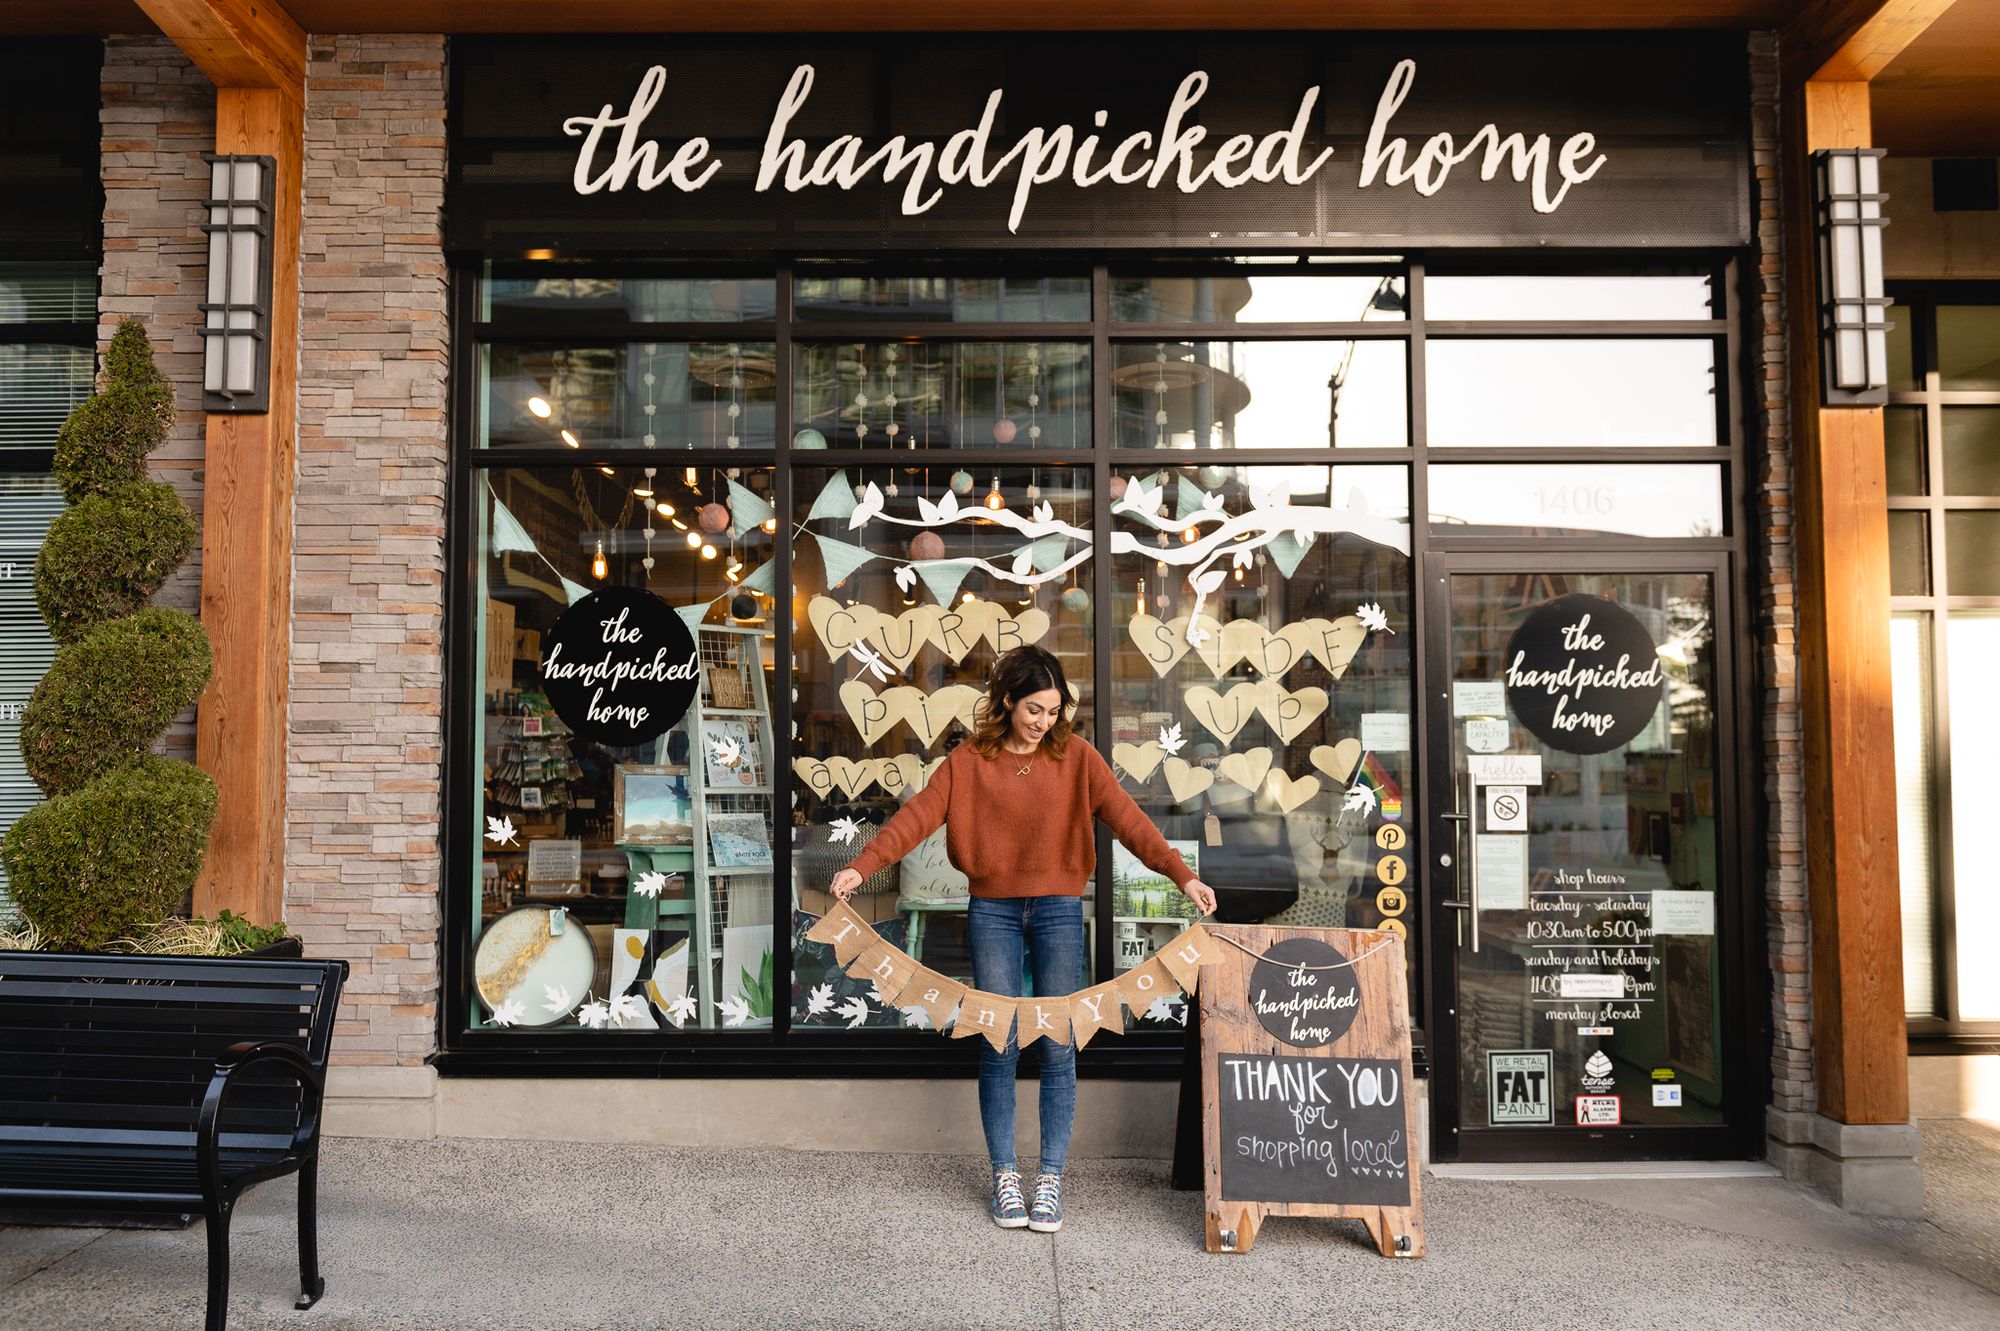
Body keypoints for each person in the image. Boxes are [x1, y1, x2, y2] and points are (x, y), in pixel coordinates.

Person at [828, 645, 1216, 1234]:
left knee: (1059, 1044)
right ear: (1007, 702)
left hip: (1059, 911)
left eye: (1055, 710)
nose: (1044, 721)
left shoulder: (1078, 759)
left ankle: (1051, 1177)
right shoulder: (967, 763)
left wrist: (1182, 875)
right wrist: (863, 865)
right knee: (998, 1040)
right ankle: (1005, 1176)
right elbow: (917, 817)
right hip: (993, 912)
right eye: (1034, 709)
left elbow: (1130, 821)